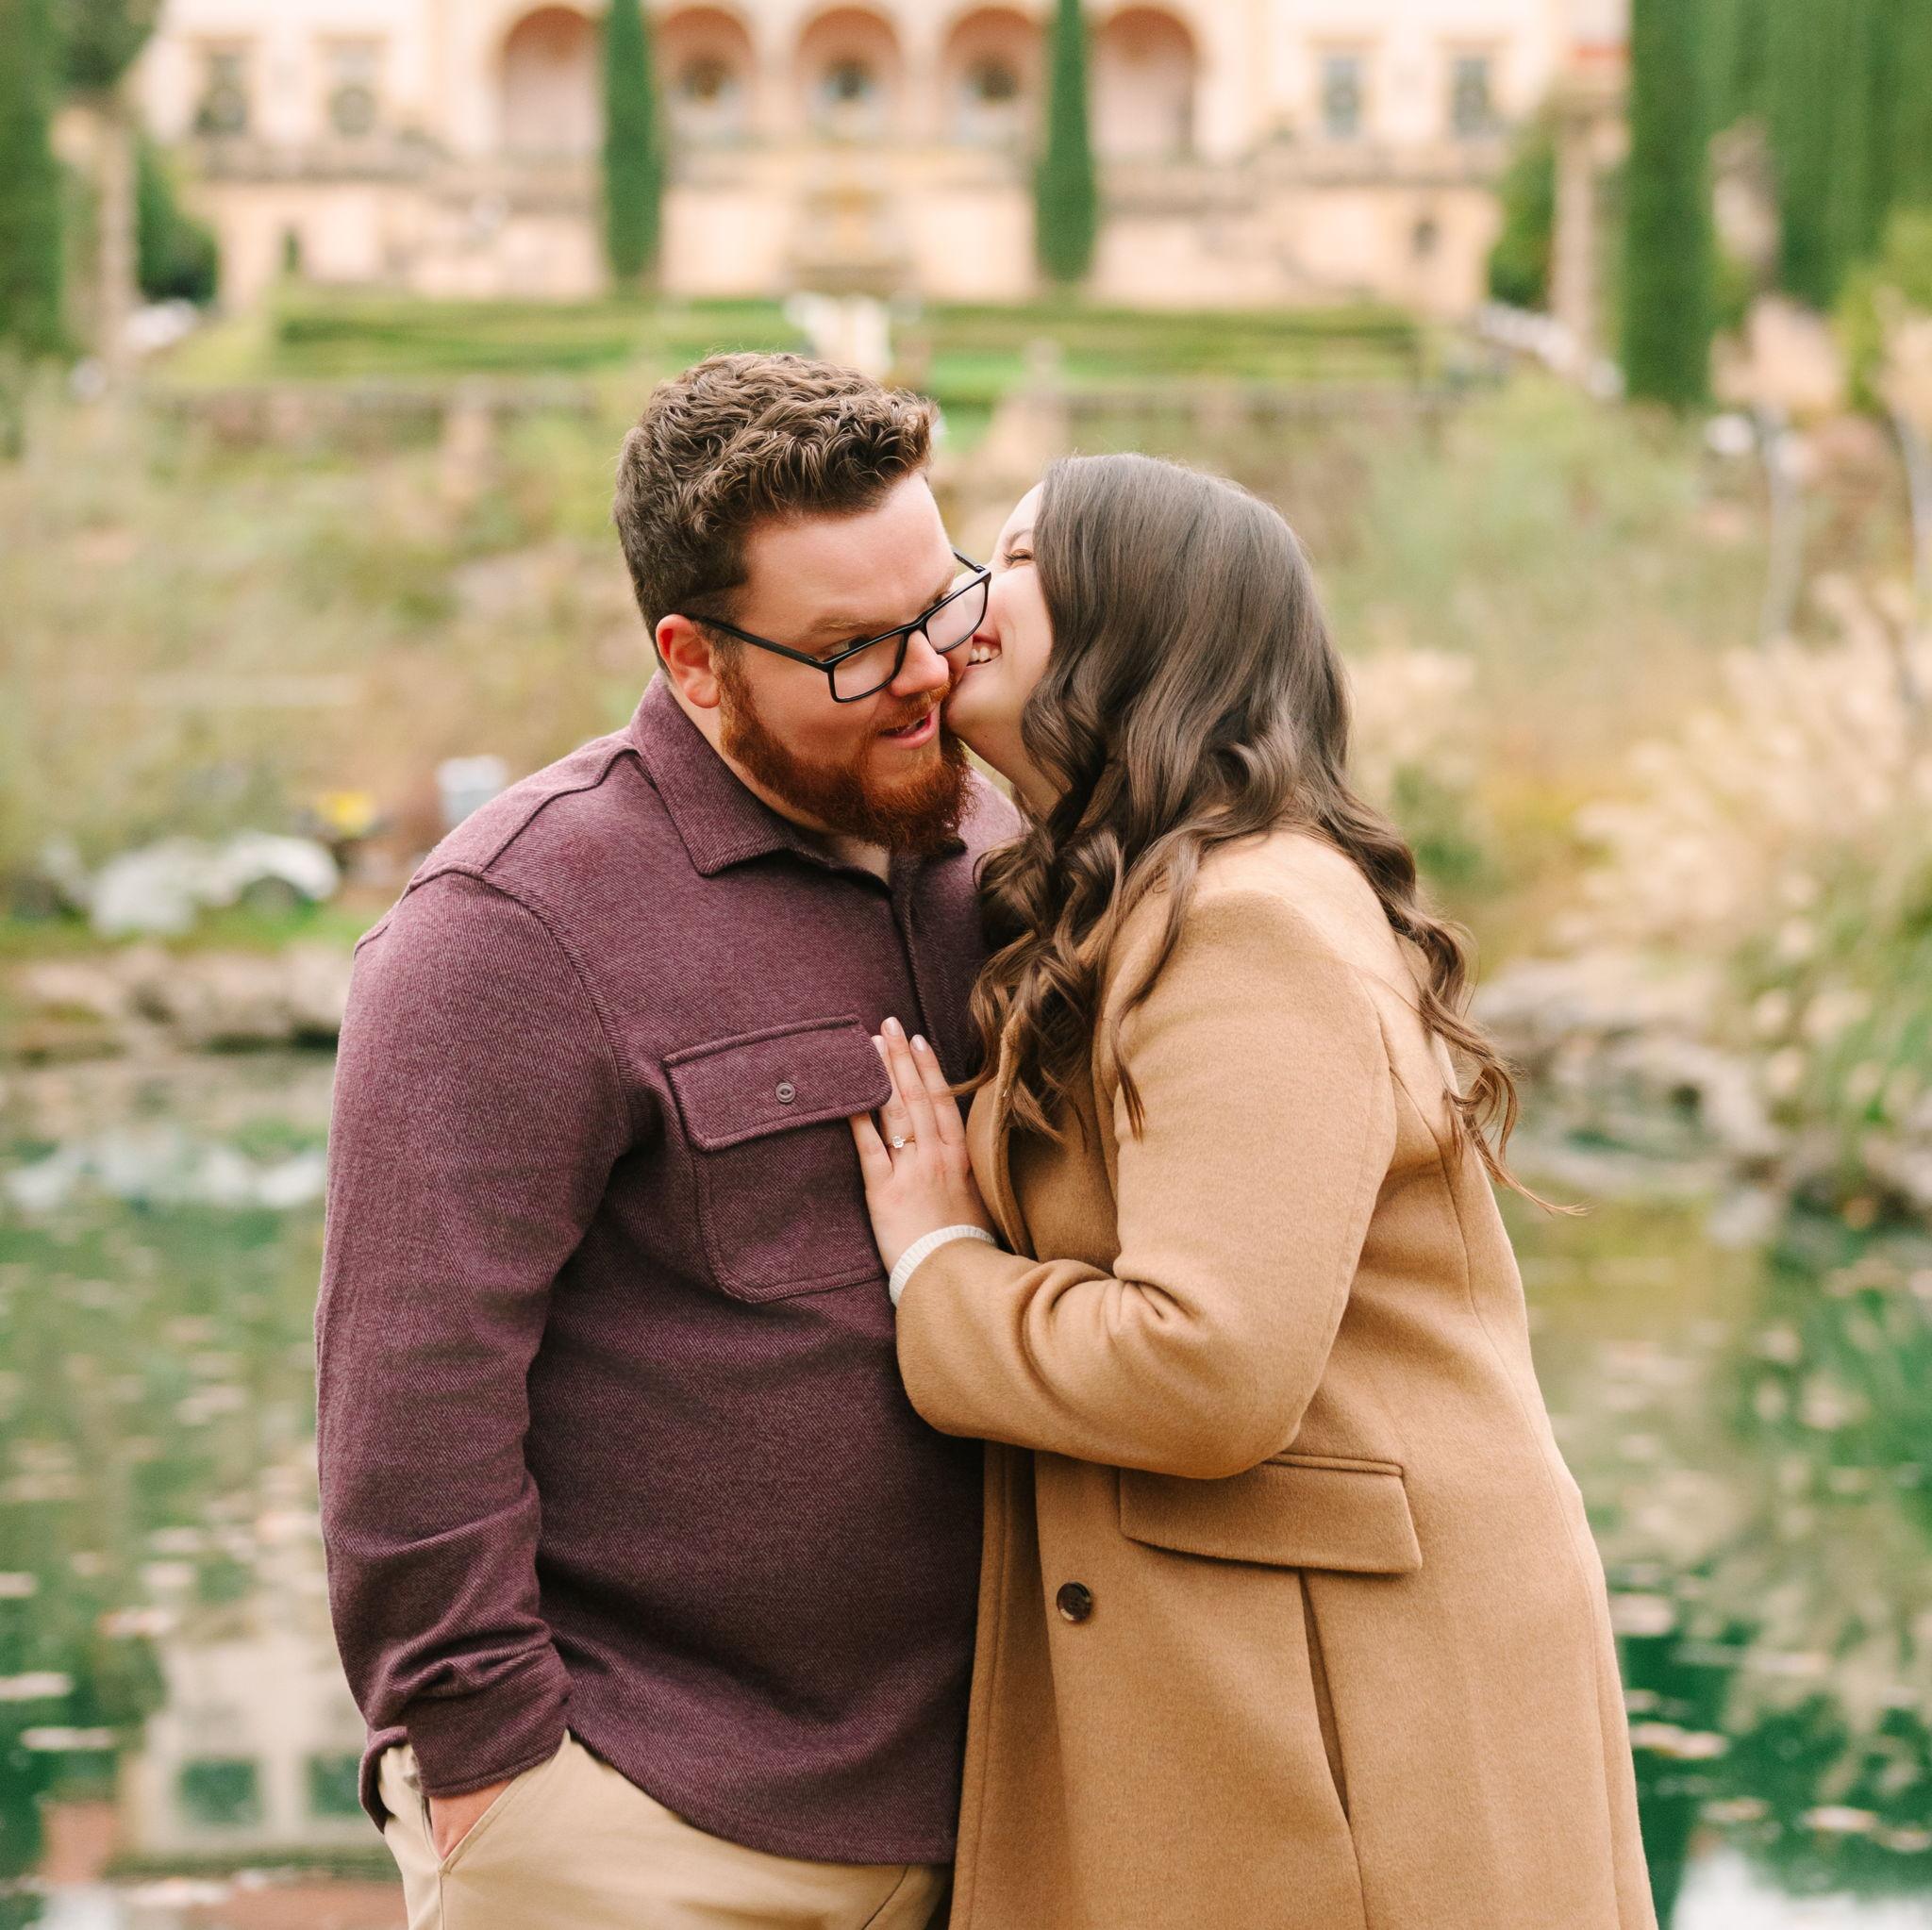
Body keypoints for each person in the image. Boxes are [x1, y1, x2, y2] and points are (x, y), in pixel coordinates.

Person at [849, 453, 1659, 1930]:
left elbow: (1210, 1364)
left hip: (1355, 1712)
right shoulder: (1139, 904)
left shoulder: (1246, 925)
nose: (968, 592)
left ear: (1141, 624)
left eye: (1021, 561)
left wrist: (937, 1273)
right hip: (1272, 1673)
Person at [313, 352, 1020, 1930]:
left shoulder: (1001, 845)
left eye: (941, 603)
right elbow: (408, 1402)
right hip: (648, 1840)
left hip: (1008, 1819)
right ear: (695, 663)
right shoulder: (506, 930)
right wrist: (500, 1778)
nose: (924, 673)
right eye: (849, 648)